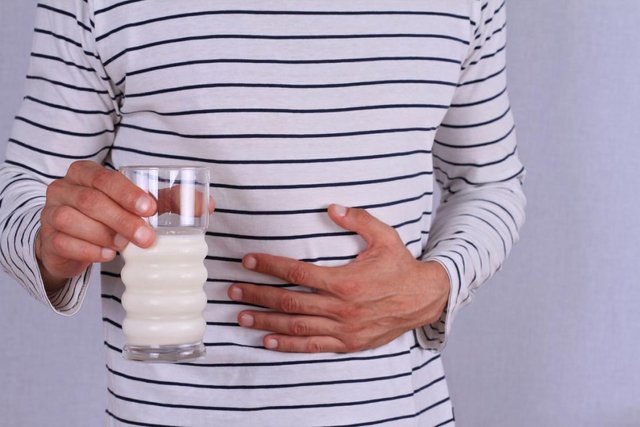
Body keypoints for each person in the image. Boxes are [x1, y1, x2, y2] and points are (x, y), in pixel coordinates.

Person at [0, 0, 525, 425]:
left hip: (394, 411)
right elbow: (18, 189)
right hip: (170, 413)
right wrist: (50, 239)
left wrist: (437, 285)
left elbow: (490, 182)